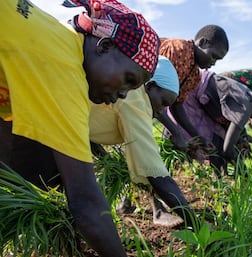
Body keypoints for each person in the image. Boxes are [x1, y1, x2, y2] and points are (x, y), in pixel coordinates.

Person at [0, 0, 159, 256]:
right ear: (104, 46)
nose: (123, 95)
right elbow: (86, 202)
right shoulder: (65, 69)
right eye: (128, 80)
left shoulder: (56, 39)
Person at [89, 56, 199, 229]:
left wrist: (107, 161)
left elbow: (89, 127)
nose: (161, 110)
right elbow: (156, 174)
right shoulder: (136, 99)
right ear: (149, 85)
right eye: (162, 102)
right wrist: (197, 225)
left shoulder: (132, 94)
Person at [166, 71, 252, 176]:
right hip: (191, 92)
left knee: (218, 139)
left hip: (202, 97)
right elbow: (227, 149)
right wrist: (244, 172)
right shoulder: (245, 107)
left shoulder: (249, 99)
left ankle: (218, 179)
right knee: (199, 139)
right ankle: (168, 170)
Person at [156, 24, 230, 152]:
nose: (213, 63)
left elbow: (177, 105)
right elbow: (154, 96)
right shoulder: (178, 49)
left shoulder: (194, 75)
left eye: (218, 60)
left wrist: (199, 137)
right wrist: (176, 134)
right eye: (213, 56)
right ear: (202, 42)